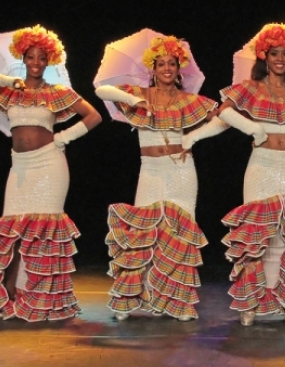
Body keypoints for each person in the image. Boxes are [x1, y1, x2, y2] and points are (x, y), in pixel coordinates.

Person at [0, 25, 101, 321]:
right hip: (20, 166)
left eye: (42, 57)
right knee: (12, 233)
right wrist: (6, 80)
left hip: (50, 164)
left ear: (49, 60)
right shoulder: (9, 91)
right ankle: (11, 297)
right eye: (31, 56)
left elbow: (94, 115)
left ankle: (44, 300)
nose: (36, 62)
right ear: (23, 58)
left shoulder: (57, 92)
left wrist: (63, 138)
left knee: (44, 235)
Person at [95, 35, 223, 322]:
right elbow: (103, 91)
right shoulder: (139, 93)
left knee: (179, 234)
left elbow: (224, 117)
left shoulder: (188, 100)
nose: (166, 68)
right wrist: (135, 100)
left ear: (179, 69)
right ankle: (131, 298)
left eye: (172, 63)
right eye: (161, 63)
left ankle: (177, 302)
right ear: (152, 69)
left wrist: (193, 137)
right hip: (151, 170)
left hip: (181, 170)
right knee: (143, 233)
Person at [217, 24, 285, 327]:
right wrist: (253, 128)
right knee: (257, 235)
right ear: (265, 55)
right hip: (262, 164)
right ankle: (251, 302)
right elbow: (223, 112)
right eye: (275, 53)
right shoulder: (251, 87)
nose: (280, 59)